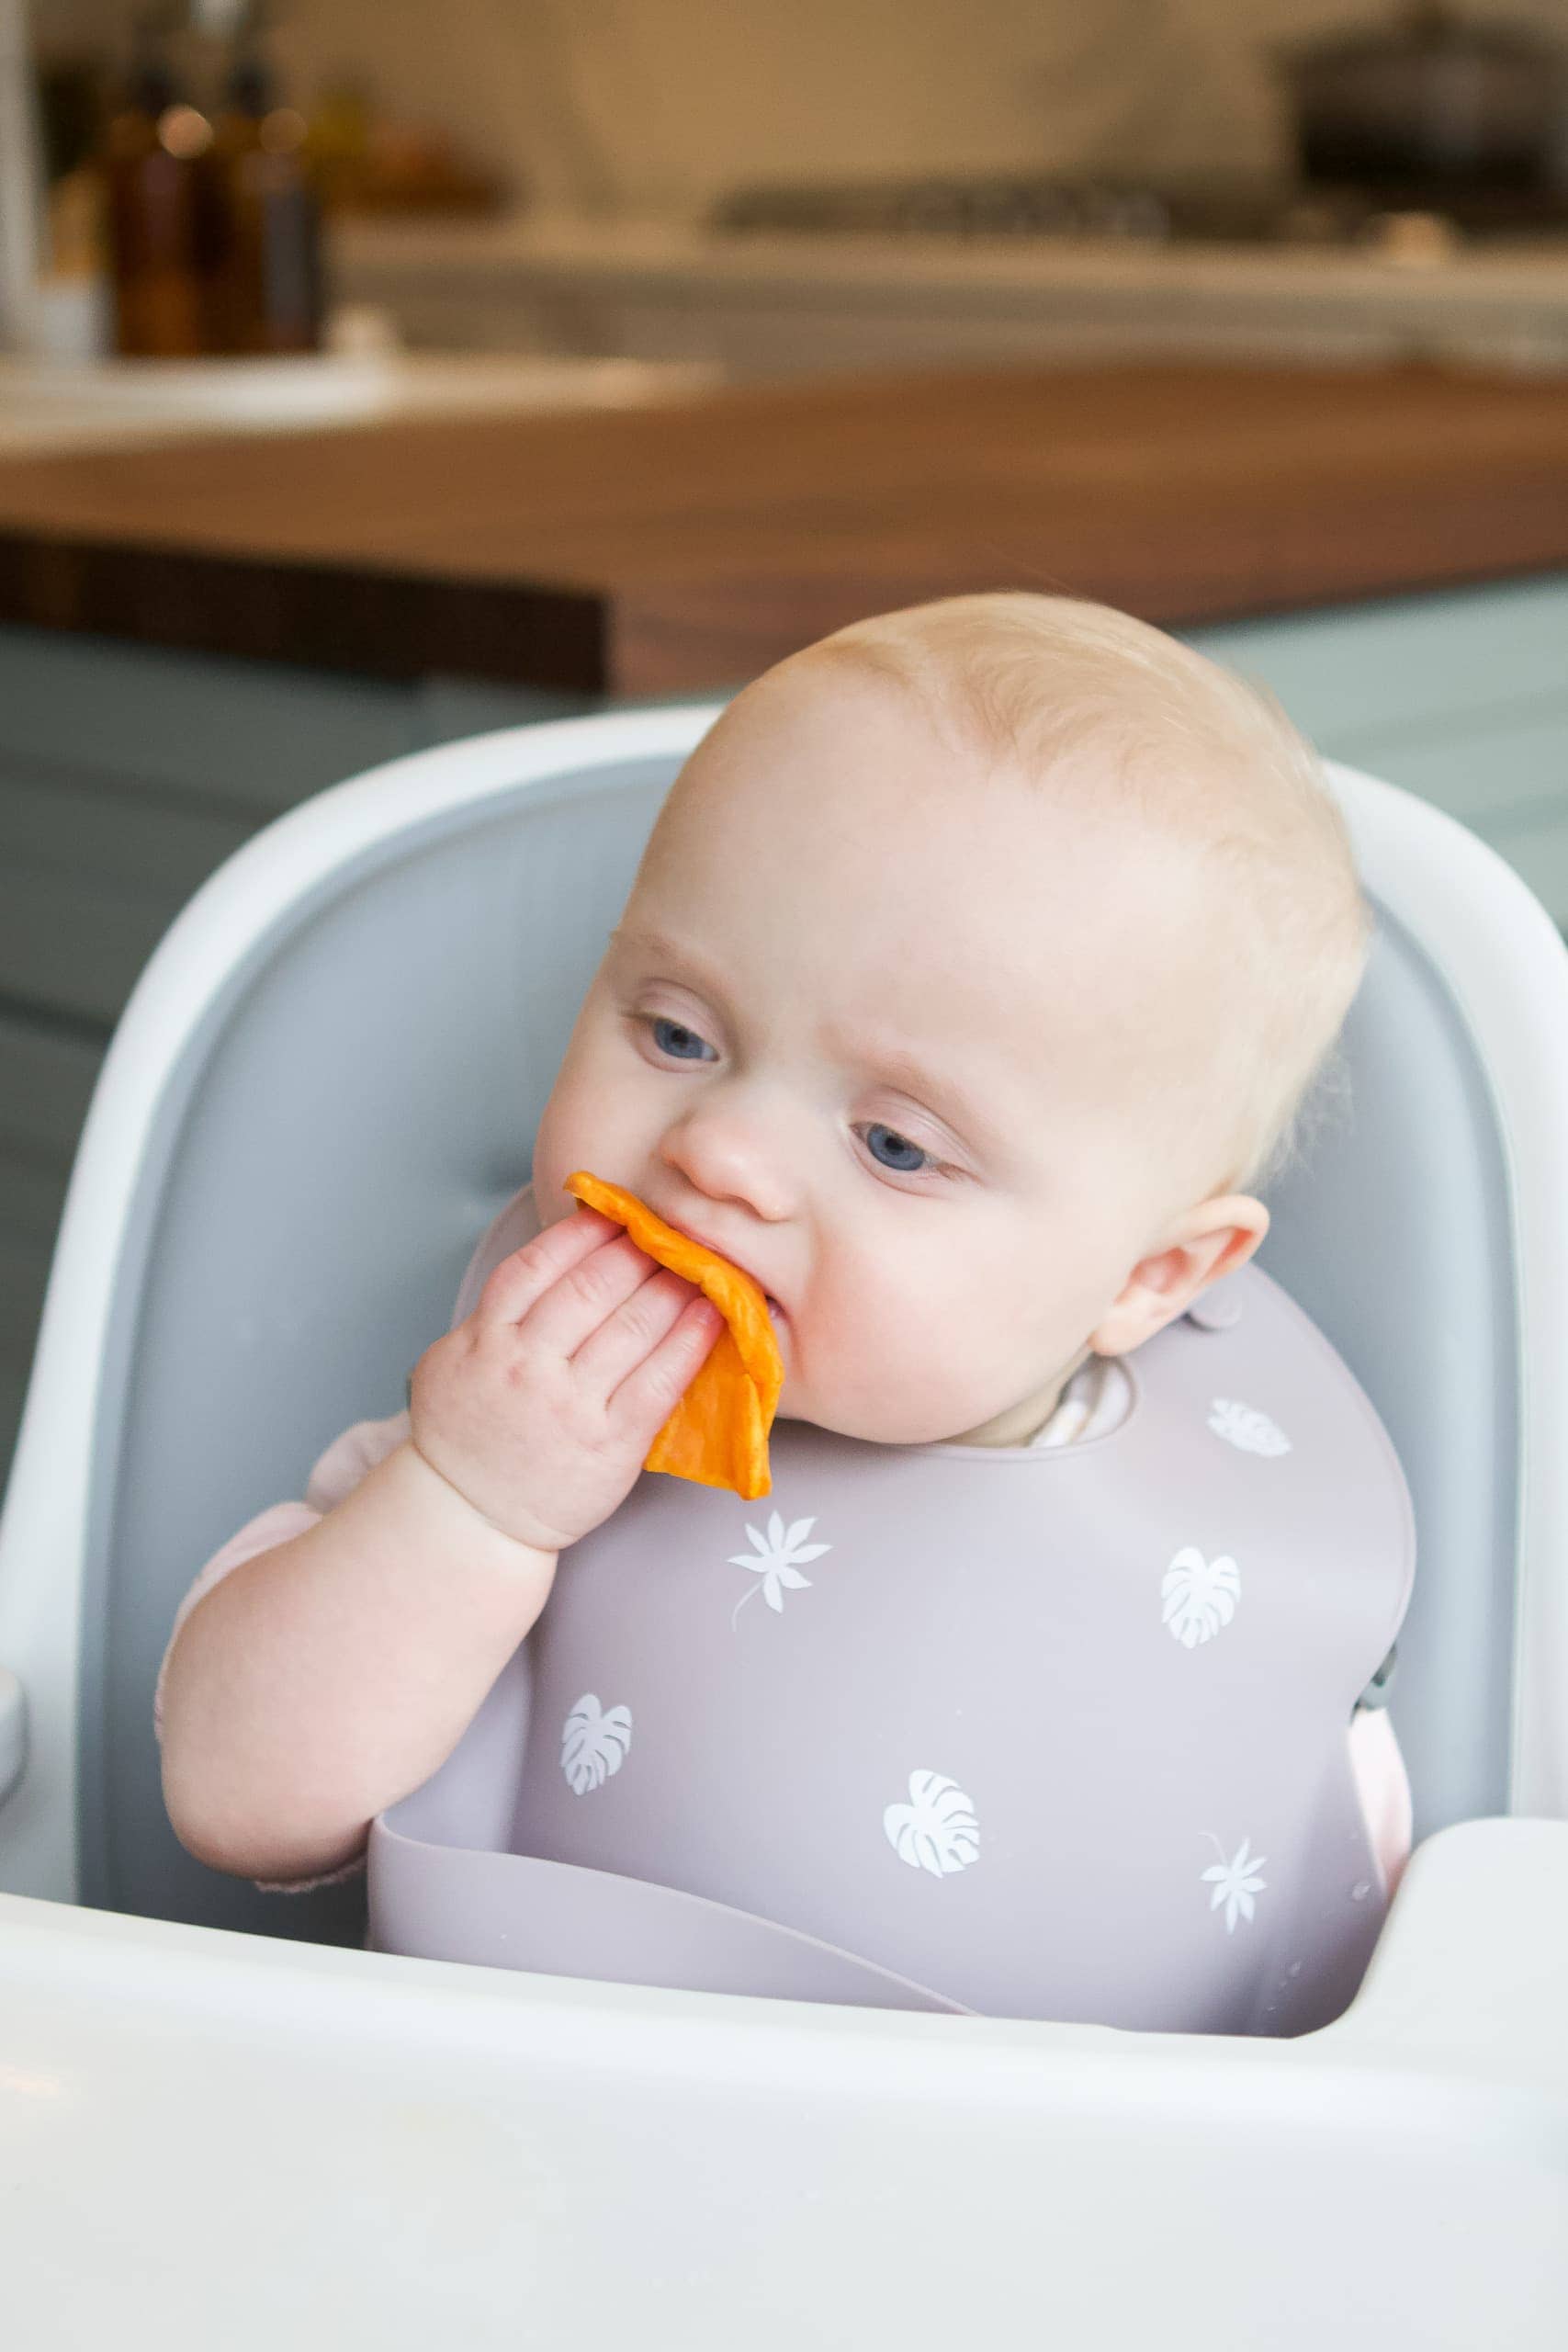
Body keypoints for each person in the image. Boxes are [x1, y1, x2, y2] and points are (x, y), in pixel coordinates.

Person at [157, 592, 1412, 2021]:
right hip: (505, 2173)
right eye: (677, 1033)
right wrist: (470, 1505)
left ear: (1149, 1279)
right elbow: (232, 1796)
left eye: (895, 1144)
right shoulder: (518, 1422)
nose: (721, 1152)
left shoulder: (1247, 1573)